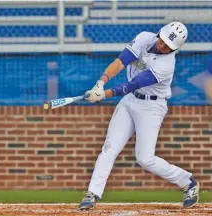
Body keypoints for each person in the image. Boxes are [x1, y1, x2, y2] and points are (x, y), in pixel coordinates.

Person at [78, 21, 199, 210]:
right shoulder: (144, 37)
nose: (163, 46)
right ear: (160, 33)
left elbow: (133, 83)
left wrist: (105, 95)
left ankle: (187, 182)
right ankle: (92, 194)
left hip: (152, 107)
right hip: (129, 101)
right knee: (109, 148)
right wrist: (100, 83)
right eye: (163, 40)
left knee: (145, 159)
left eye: (169, 46)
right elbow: (121, 61)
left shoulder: (167, 65)